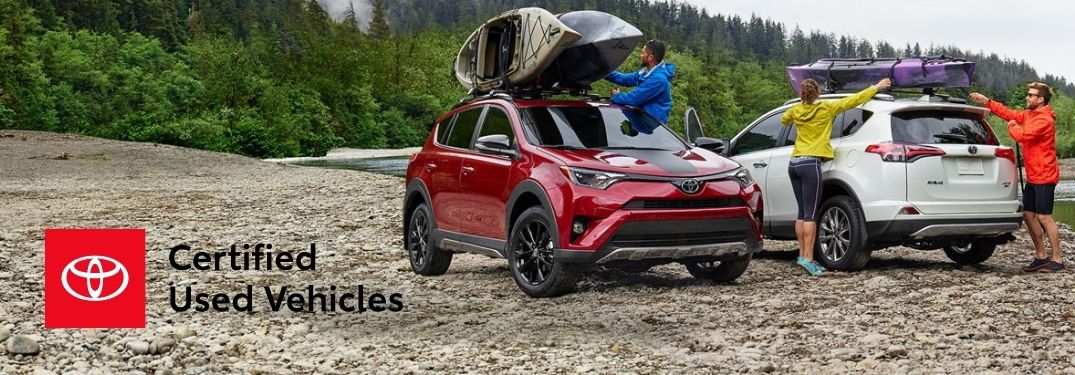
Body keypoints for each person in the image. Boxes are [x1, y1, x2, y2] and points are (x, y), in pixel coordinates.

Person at [781, 77, 891, 276]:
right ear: (818, 93)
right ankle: (808, 259)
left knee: (801, 213)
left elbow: (784, 119)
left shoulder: (796, 110)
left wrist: (801, 106)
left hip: (794, 163)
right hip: (810, 163)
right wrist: (876, 87)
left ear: (802, 94)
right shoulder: (826, 108)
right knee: (811, 214)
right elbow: (854, 100)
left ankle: (801, 254)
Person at [970, 83, 1063, 272]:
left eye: (1031, 95)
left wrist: (1012, 124)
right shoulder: (1030, 115)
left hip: (1045, 175)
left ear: (1040, 99)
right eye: (1028, 95)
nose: (1027, 98)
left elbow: (1023, 135)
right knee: (1028, 215)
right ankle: (1041, 256)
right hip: (1034, 176)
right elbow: (1008, 113)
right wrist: (987, 101)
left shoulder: (1045, 120)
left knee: (1045, 217)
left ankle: (1057, 260)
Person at [605, 39, 676, 124]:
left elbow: (632, 99)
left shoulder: (658, 79)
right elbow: (625, 79)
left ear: (650, 57)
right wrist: (603, 71)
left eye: (643, 53)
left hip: (653, 126)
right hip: (643, 120)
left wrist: (616, 96)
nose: (640, 55)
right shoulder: (647, 72)